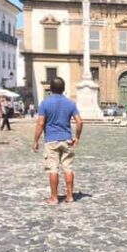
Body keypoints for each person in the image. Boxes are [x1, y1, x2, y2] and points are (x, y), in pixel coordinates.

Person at [32, 77, 83, 205]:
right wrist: (77, 137)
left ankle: (54, 198)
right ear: (63, 88)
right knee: (68, 168)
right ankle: (70, 196)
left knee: (53, 169)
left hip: (51, 140)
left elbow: (40, 123)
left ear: (51, 88)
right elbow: (79, 121)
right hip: (67, 139)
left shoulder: (45, 103)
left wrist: (36, 140)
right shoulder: (70, 103)